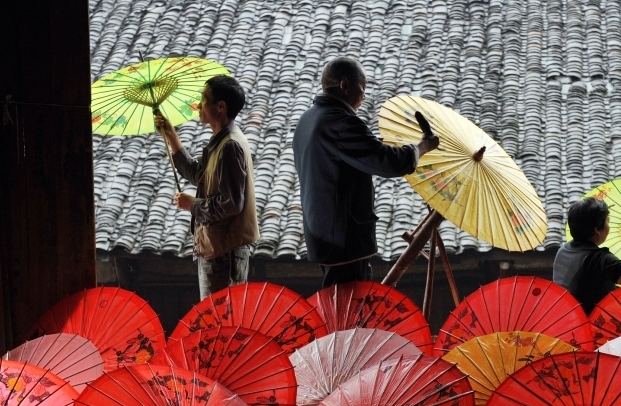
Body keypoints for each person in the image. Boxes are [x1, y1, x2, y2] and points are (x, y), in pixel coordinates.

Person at [292, 57, 440, 289]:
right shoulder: (341, 122)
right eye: (363, 88)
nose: (363, 96)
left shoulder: (308, 119)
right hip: (345, 239)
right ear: (345, 85)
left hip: (322, 236)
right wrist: (422, 147)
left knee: (339, 305)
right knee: (350, 312)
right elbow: (389, 163)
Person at [154, 74, 259, 299]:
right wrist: (171, 136)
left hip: (224, 254)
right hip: (217, 250)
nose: (198, 105)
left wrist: (193, 205)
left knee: (219, 326)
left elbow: (231, 204)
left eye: (203, 99)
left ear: (220, 106)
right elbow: (199, 175)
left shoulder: (230, 146)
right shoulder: (221, 142)